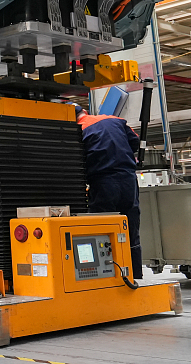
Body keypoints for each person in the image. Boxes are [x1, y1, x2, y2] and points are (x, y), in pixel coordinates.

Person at [70, 103, 142, 280]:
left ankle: (105, 277)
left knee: (101, 230)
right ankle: (135, 275)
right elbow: (135, 141)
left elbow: (75, 160)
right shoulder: (115, 120)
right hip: (128, 180)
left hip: (103, 182)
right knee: (129, 227)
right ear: (85, 111)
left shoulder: (76, 130)